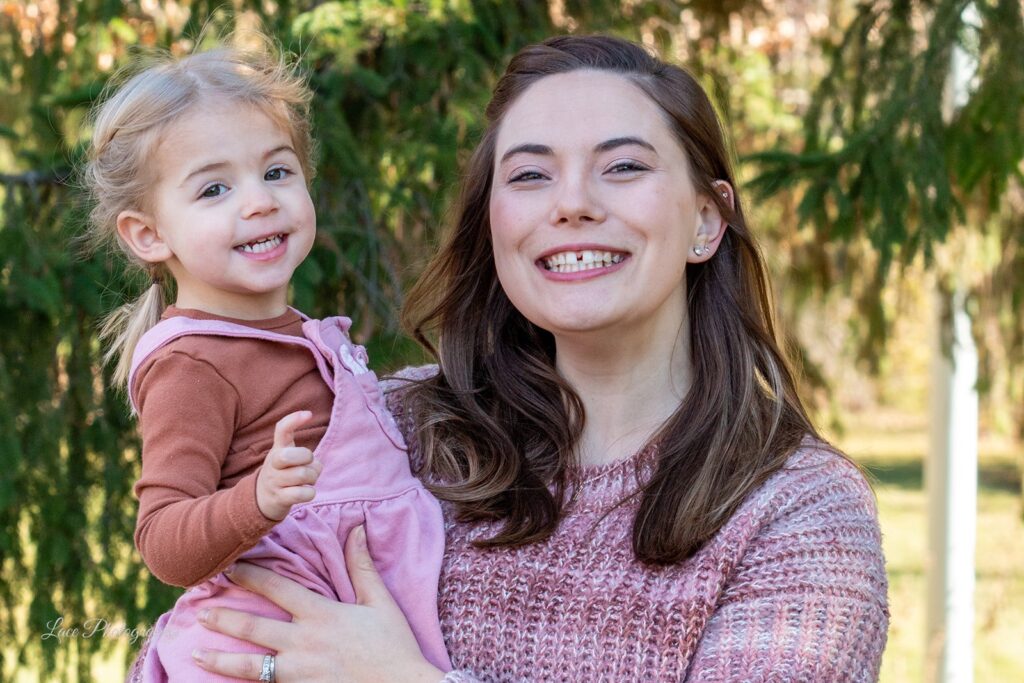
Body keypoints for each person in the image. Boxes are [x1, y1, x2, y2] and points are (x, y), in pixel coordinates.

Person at [166, 34, 890, 681]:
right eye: (530, 176)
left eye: (624, 166)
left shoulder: (799, 513)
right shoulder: (388, 433)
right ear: (495, 223)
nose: (570, 203)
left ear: (706, 219)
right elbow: (206, 632)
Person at [83, 42, 451, 682]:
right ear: (149, 234)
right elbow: (164, 542)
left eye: (277, 173)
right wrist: (258, 497)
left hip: (356, 634)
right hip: (267, 644)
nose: (257, 201)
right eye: (215, 188)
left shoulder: (297, 333)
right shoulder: (194, 364)